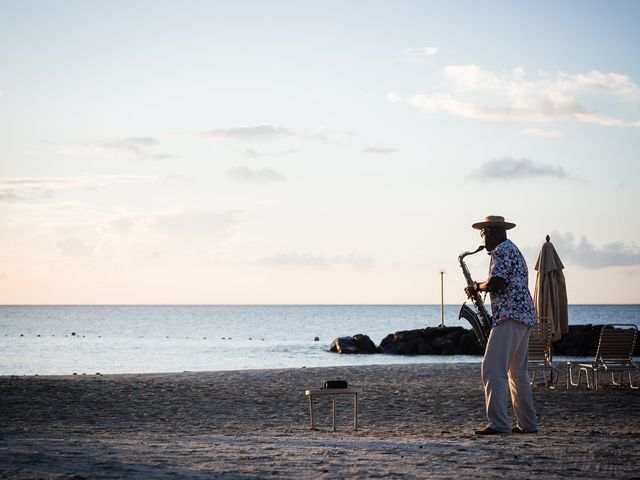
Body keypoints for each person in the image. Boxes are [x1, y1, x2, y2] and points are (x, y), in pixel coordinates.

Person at [464, 215, 538, 435]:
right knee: (518, 373)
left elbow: (497, 283)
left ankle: (498, 424)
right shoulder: (513, 249)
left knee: (492, 368)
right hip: (523, 316)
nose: (482, 238)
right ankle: (528, 424)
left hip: (510, 316)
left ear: (492, 231)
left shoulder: (501, 251)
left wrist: (477, 286)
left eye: (483, 233)